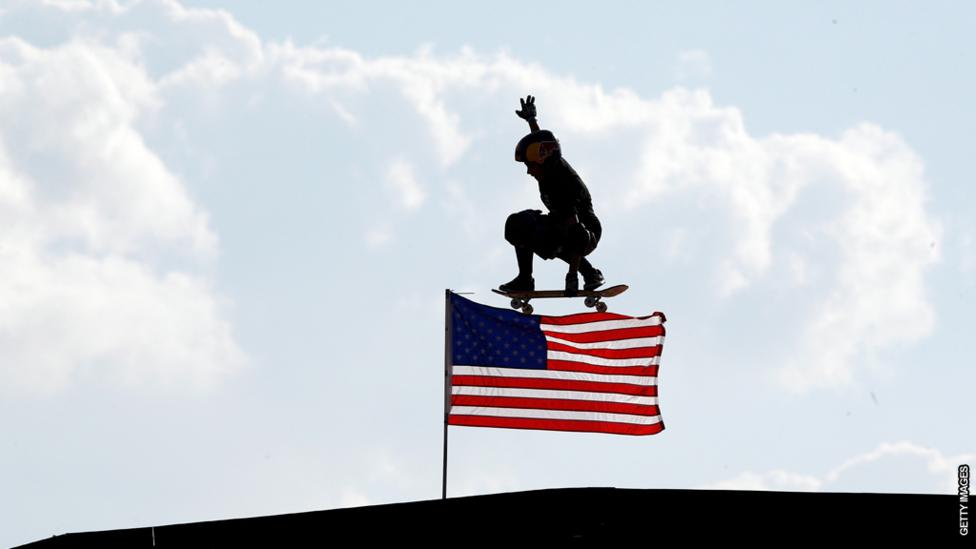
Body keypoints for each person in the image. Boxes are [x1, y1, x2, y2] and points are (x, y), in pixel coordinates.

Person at [499, 95, 604, 295]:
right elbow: (542, 143)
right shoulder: (548, 167)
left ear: (542, 162)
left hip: (585, 230)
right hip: (563, 224)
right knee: (518, 224)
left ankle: (589, 272)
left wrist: (572, 275)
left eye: (530, 166)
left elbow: (576, 236)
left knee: (560, 234)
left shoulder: (562, 184)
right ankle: (525, 279)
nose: (529, 171)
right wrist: (531, 121)